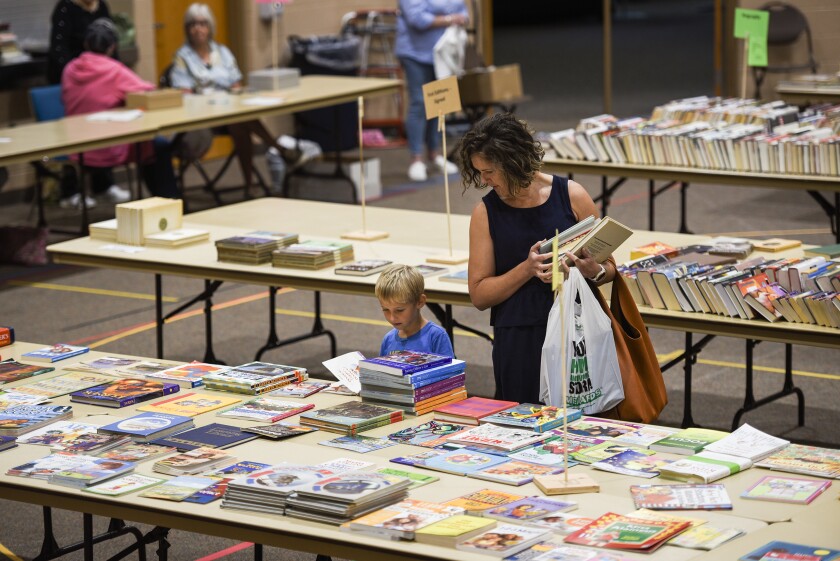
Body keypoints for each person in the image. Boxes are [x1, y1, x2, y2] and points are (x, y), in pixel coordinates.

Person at [459, 112, 617, 404]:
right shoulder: (485, 213)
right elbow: (479, 295)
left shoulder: (572, 196)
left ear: (513, 162)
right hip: (520, 339)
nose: (484, 180)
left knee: (581, 424)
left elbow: (609, 269)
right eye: (479, 171)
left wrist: (591, 270)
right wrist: (527, 269)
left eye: (489, 171)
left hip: (576, 332)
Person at [168, 3, 296, 193]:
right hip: (202, 118)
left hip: (228, 112)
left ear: (210, 27)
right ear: (187, 28)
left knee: (239, 123)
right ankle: (278, 150)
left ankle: (249, 184)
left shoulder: (222, 52)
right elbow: (183, 93)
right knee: (241, 121)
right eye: (193, 24)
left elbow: (236, 84)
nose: (198, 29)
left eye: (203, 23)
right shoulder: (181, 57)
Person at [60, 18, 180, 208]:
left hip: (75, 147)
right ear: (112, 47)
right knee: (157, 145)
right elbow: (148, 90)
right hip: (106, 148)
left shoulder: (69, 69)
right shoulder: (114, 70)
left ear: (85, 43)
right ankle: (170, 203)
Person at [395, 0, 467, 182]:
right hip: (415, 53)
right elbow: (417, 19)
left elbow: (463, 12)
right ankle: (416, 159)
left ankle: (435, 154)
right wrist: (450, 18)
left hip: (444, 54)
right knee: (420, 103)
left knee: (441, 103)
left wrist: (452, 18)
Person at [375, 264, 454, 357]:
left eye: (399, 310)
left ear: (420, 301)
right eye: (385, 309)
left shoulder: (436, 336)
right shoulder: (388, 339)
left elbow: (449, 371)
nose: (392, 318)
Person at [47, 0, 113, 85]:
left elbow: (110, 39)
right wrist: (75, 73)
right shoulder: (65, 7)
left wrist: (114, 69)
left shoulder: (101, 6)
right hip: (73, 76)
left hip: (99, 73)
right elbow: (59, 47)